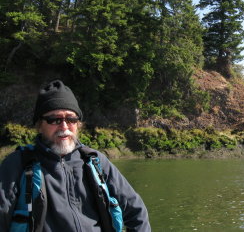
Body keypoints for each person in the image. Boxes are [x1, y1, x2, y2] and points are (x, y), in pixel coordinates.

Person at [0, 80, 151, 231]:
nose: (64, 126)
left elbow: (136, 211)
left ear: (78, 124)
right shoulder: (17, 164)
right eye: (54, 119)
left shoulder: (96, 161)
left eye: (71, 119)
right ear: (40, 125)